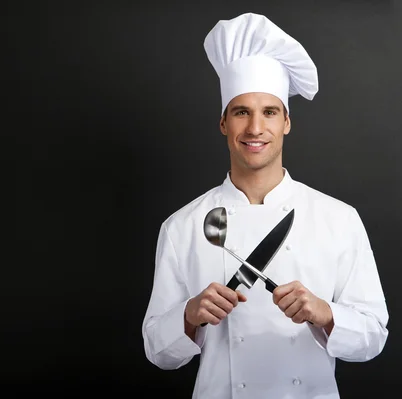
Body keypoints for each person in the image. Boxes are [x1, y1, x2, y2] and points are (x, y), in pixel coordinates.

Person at [141, 12, 389, 399]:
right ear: (223, 123)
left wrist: (327, 314)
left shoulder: (338, 219)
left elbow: (373, 338)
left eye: (269, 112)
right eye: (242, 112)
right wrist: (189, 315)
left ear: (286, 122)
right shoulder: (183, 226)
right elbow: (158, 352)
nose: (255, 128)